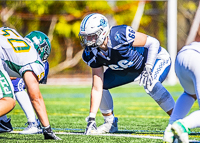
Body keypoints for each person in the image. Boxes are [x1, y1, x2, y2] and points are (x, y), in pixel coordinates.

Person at [78, 13, 175, 135]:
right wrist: (91, 117)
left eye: (91, 36)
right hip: (128, 69)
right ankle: (109, 123)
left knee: (151, 84)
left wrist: (149, 66)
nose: (87, 40)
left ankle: (178, 121)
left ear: (103, 32)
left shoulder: (119, 35)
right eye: (85, 37)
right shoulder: (91, 53)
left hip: (154, 59)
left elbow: (153, 43)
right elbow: (97, 88)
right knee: (102, 86)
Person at [0, 27, 61, 140]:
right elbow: (35, 97)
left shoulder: (13, 35)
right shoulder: (33, 59)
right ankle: (32, 122)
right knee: (8, 101)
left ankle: (3, 122)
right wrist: (47, 128)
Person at [163, 41, 200, 143]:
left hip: (181, 57)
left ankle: (170, 129)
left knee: (189, 93)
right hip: (197, 58)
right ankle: (182, 125)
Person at [0, 60, 49, 134]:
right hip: (17, 64)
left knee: (16, 85)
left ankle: (33, 123)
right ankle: (3, 122)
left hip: (28, 65)